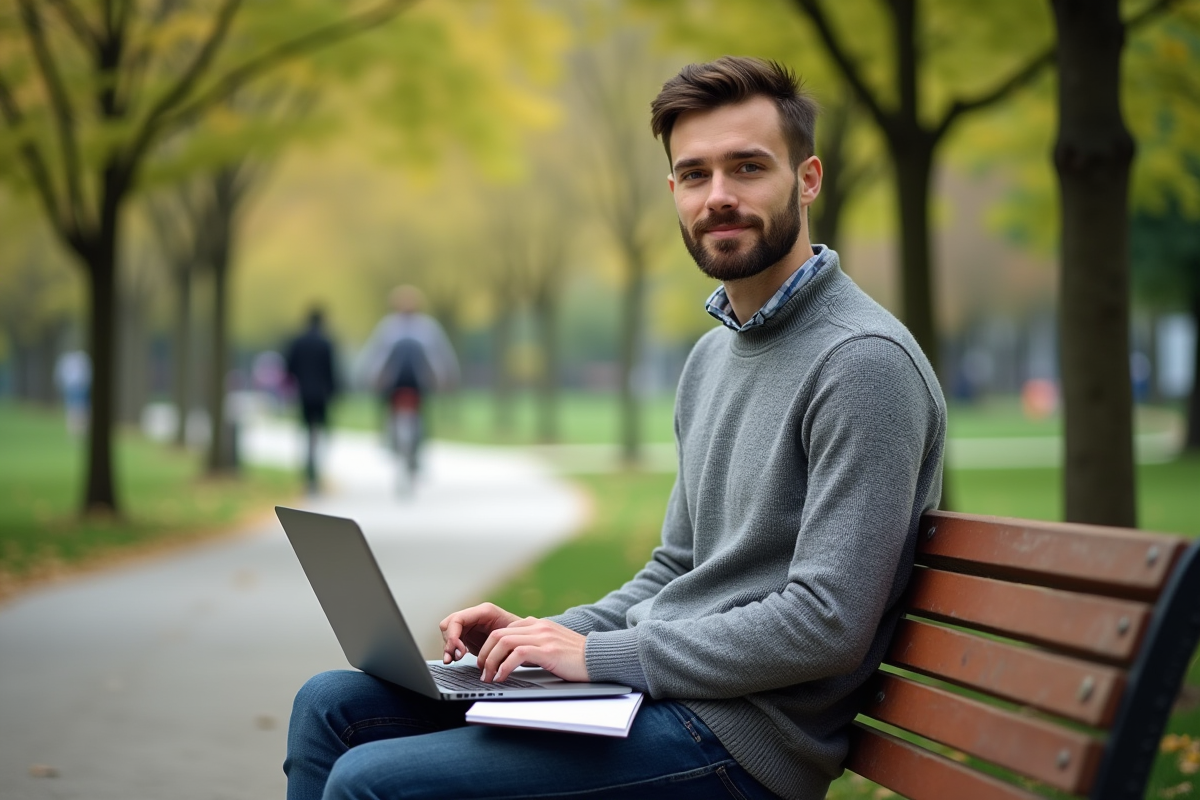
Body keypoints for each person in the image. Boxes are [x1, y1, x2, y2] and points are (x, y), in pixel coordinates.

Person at [285, 57, 946, 800]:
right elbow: (676, 570)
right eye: (695, 175)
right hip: (659, 703)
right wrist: (536, 639)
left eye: (748, 167)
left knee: (372, 783)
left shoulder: (862, 363)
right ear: (674, 192)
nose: (719, 197)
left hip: (743, 745)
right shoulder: (713, 355)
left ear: (808, 178)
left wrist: (599, 656)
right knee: (330, 708)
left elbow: (826, 623)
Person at [357, 285, 459, 489]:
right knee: (386, 410)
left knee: (423, 414)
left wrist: (448, 376)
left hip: (419, 382)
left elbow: (442, 353)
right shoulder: (388, 327)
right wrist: (368, 375)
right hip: (393, 382)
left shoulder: (427, 327)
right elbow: (374, 354)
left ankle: (419, 451)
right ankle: (387, 440)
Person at [285, 307, 340, 495]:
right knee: (321, 433)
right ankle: (317, 470)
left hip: (303, 394)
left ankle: (308, 471)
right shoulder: (326, 342)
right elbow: (332, 370)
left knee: (306, 431)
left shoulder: (298, 342)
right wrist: (334, 392)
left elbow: (289, 368)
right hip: (322, 395)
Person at [54, 349, 91, 436]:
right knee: (75, 408)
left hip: (80, 386)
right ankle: (76, 429)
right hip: (73, 387)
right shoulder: (71, 359)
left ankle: (79, 428)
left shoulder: (80, 358)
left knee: (79, 408)